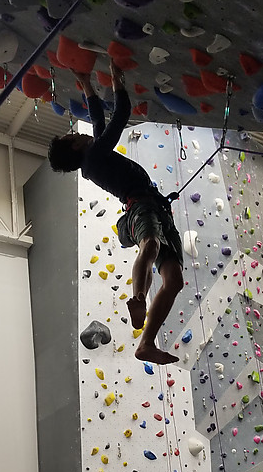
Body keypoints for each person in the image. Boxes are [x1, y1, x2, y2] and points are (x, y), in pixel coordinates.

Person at [48, 60, 184, 365]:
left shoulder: (94, 158)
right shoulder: (94, 156)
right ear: (75, 148)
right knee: (151, 245)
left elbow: (98, 120)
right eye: (73, 136)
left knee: (174, 281)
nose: (79, 134)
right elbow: (120, 115)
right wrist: (117, 80)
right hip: (141, 207)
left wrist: (86, 85)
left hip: (156, 208)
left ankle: (146, 343)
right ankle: (138, 297)